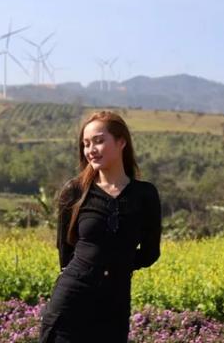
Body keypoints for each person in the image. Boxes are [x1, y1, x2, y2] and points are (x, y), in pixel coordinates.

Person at [38, 110, 162, 343]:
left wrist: (117, 265)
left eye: (98, 141)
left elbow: (150, 253)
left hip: (114, 304)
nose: (91, 150)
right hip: (71, 301)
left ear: (121, 142)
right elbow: (65, 252)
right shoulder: (75, 191)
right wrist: (92, 268)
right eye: (86, 144)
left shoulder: (145, 195)